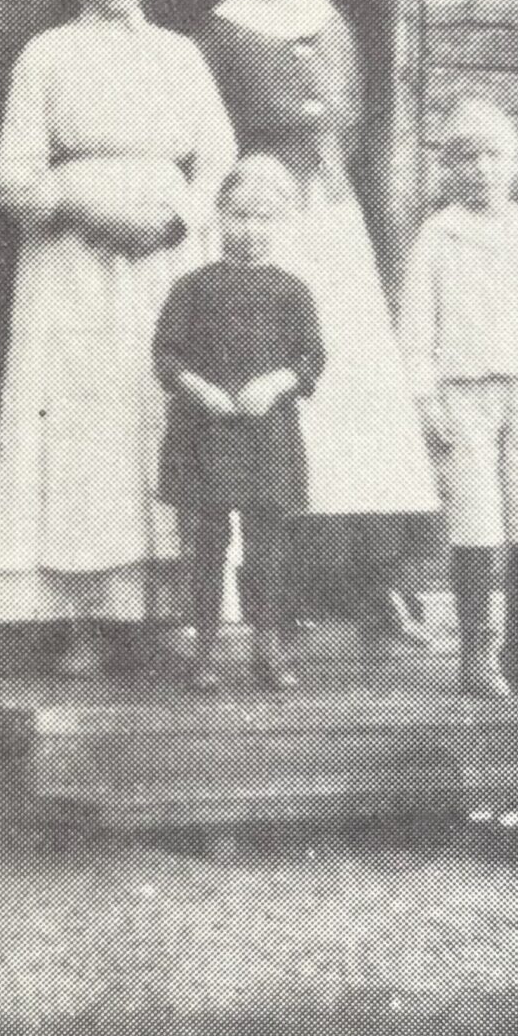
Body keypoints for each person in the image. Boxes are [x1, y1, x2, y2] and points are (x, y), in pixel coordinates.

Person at [0, 0, 238, 676]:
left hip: (166, 262)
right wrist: (87, 207)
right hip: (74, 269)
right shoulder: (47, 55)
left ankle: (159, 611)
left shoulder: (180, 56)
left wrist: (178, 218)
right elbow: (13, 179)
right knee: (84, 425)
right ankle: (81, 617)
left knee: (161, 412)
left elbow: (219, 157)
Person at [198, 0, 438, 640]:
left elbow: (358, 119)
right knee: (276, 388)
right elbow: (208, 132)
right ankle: (279, 589)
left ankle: (376, 580)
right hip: (265, 223)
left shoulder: (332, 22)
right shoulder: (221, 28)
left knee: (357, 394)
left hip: (334, 222)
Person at [399, 97, 518, 699]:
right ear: (448, 168)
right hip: (462, 395)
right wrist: (426, 399)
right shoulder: (437, 235)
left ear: (516, 163)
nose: (481, 168)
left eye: (494, 155)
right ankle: (477, 653)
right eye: (466, 157)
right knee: (475, 517)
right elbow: (417, 325)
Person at [154, 154, 324, 692]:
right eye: (239, 216)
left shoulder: (292, 291)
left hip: (266, 435)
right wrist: (199, 388)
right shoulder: (194, 287)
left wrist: (277, 383)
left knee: (267, 541)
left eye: (264, 218)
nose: (250, 230)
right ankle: (203, 645)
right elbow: (165, 353)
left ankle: (267, 643)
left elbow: (312, 357)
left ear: (283, 223)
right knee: (206, 539)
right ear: (219, 216)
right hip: (205, 432)